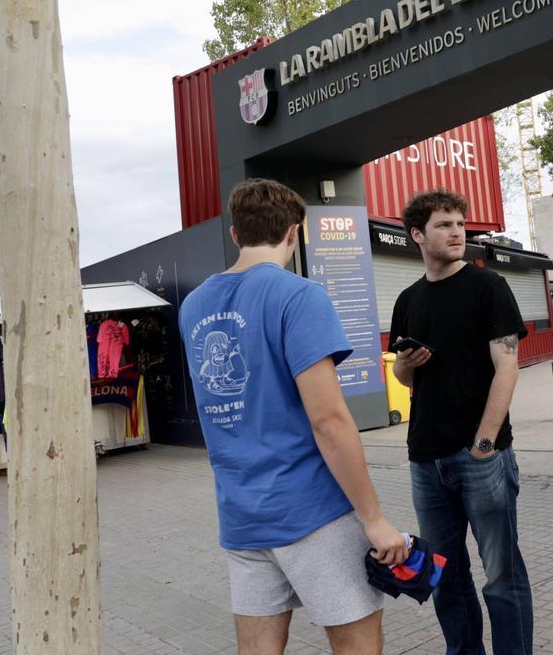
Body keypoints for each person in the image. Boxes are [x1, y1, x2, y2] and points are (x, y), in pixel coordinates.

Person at [178, 178, 408, 655]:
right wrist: (374, 519)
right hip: (311, 510)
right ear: (294, 234)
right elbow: (329, 419)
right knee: (358, 644)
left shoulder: (194, 305)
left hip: (242, 516)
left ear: (236, 234)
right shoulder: (299, 296)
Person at [389, 189, 533, 655]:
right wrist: (409, 362)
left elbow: (507, 366)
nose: (456, 233)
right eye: (444, 225)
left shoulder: (487, 286)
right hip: (425, 460)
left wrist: (485, 442)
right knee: (447, 577)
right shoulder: (408, 299)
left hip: (481, 456)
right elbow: (402, 374)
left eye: (459, 224)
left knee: (501, 576)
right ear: (417, 235)